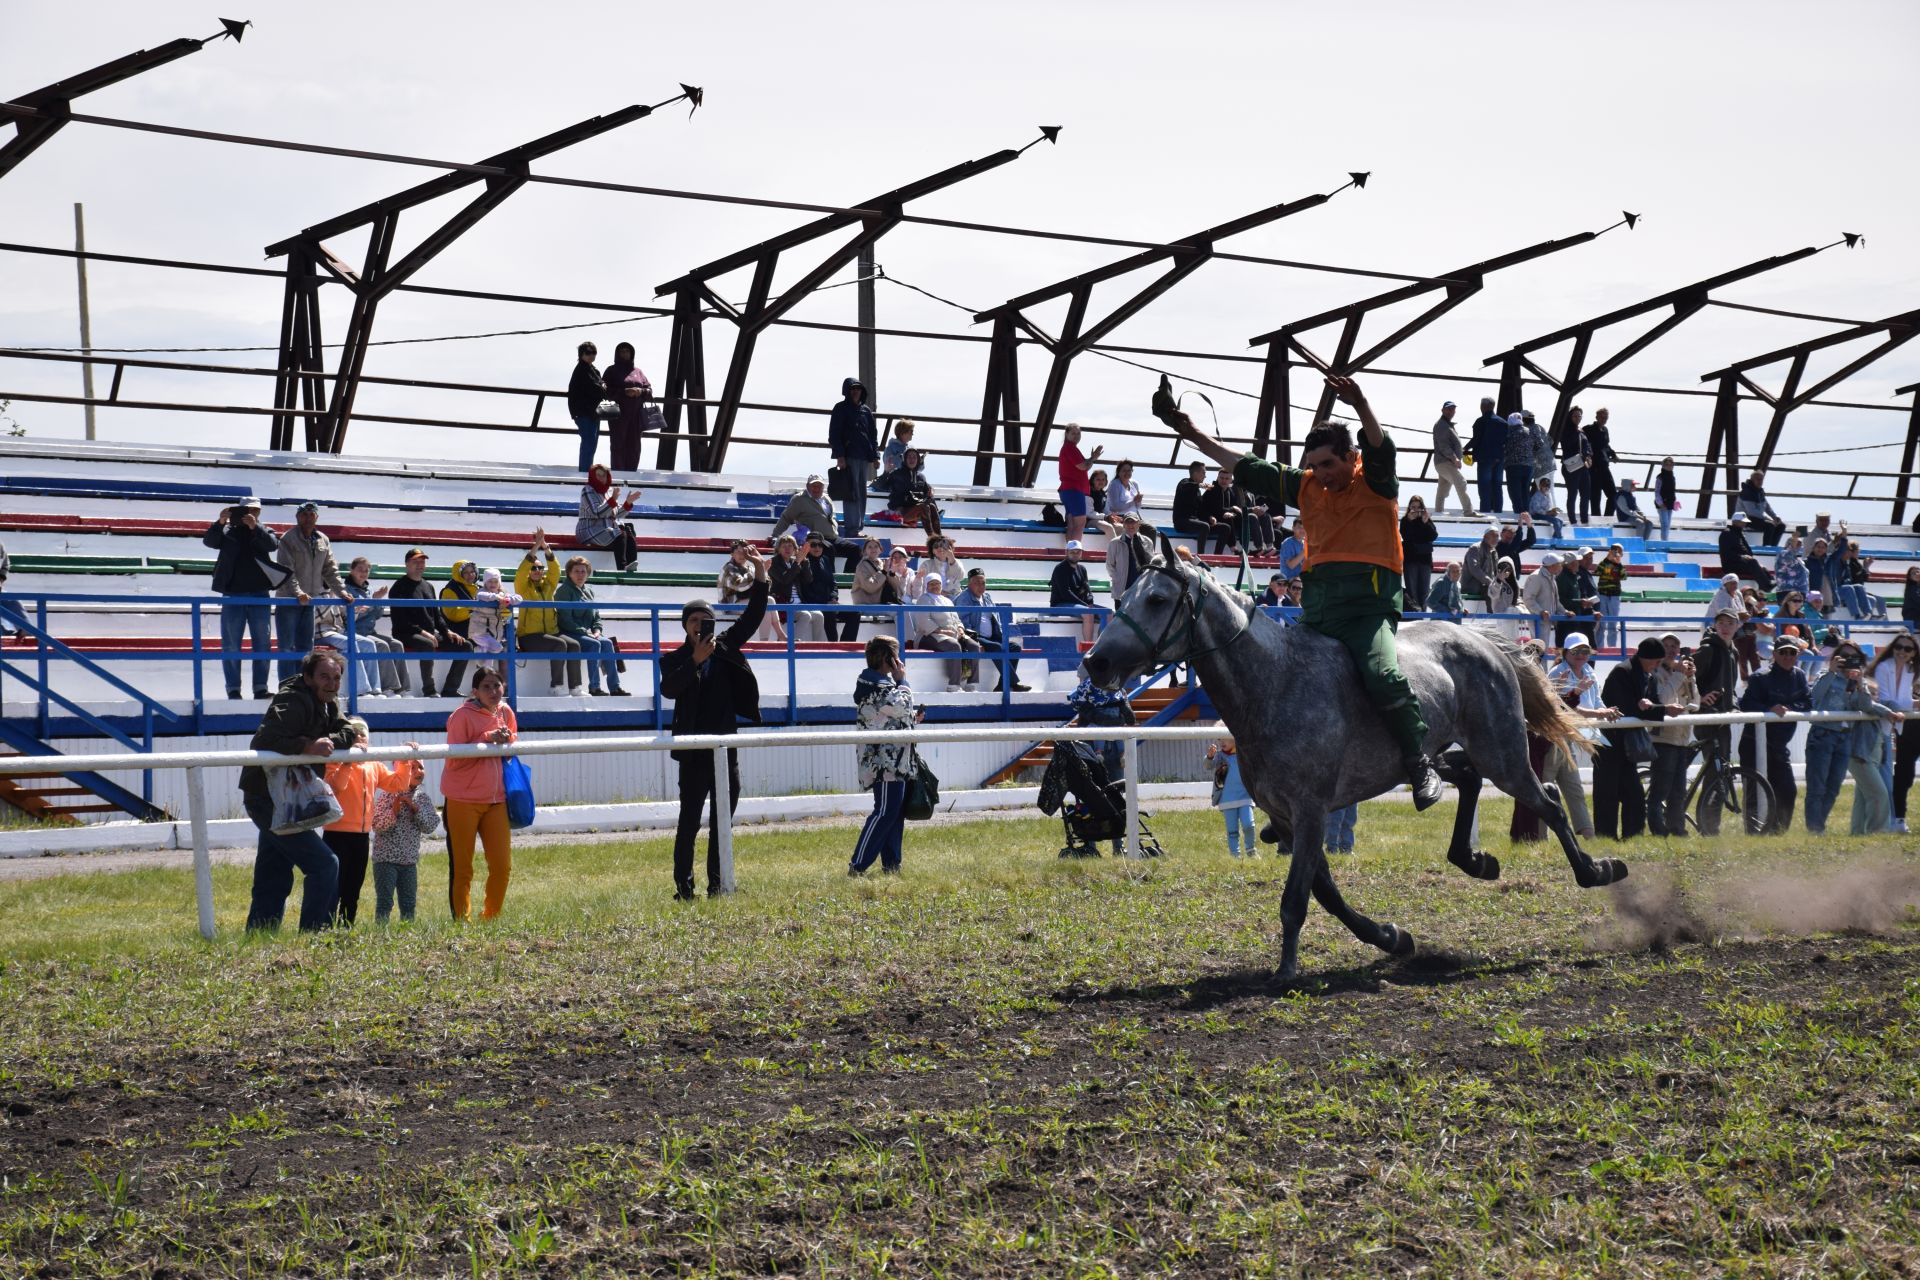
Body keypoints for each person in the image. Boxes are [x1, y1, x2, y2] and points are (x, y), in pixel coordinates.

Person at [1169, 374, 1444, 806]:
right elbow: (1246, 467)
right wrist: (1194, 434)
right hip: (1317, 616)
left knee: (1383, 675)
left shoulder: (1375, 481)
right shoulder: (1306, 487)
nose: (1320, 473)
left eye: (1328, 465)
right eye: (1313, 465)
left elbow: (1380, 446)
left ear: (1350, 457)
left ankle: (1419, 761)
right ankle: (1288, 798)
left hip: (1368, 615)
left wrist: (1361, 403)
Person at [662, 547, 769, 899]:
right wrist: (694, 660)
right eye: (693, 621)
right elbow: (669, 689)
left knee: (723, 822)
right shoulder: (674, 658)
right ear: (685, 626)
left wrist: (761, 576)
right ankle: (684, 889)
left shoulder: (725, 646)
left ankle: (720, 886)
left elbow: (753, 616)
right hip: (693, 753)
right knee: (689, 823)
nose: (699, 625)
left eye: (704, 620)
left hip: (726, 750)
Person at [237, 651, 357, 932]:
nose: (332, 683)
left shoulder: (328, 702)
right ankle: (313, 936)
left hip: (285, 797)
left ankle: (260, 936)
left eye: (337, 678)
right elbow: (266, 739)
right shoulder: (292, 700)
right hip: (267, 797)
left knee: (273, 871)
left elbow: (349, 731)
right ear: (307, 677)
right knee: (325, 865)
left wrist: (326, 740)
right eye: (325, 677)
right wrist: (308, 746)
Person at [321, 718, 423, 926]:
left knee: (353, 887)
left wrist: (405, 760)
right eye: (353, 732)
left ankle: (346, 926)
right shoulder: (335, 760)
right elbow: (337, 786)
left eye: (362, 733)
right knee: (334, 886)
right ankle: (326, 927)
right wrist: (348, 762)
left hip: (361, 836)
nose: (359, 736)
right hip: (336, 833)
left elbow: (397, 785)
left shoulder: (373, 764)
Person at [443, 668, 519, 921]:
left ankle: (490, 918)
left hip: (497, 800)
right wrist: (489, 738)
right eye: (486, 687)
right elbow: (455, 760)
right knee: (463, 868)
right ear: (474, 692)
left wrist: (506, 741)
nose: (493, 691)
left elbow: (511, 748)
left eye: (497, 685)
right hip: (462, 801)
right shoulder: (461, 716)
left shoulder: (506, 712)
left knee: (502, 867)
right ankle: (461, 922)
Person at [1802, 641, 1901, 836]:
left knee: (1832, 789)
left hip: (1845, 738)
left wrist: (1860, 682)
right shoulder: (1826, 675)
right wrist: (1831, 671)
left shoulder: (1857, 682)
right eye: (1844, 656)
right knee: (1817, 787)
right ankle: (1815, 830)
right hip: (1822, 735)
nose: (1848, 661)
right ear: (1836, 658)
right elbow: (1815, 697)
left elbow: (1865, 705)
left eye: (1853, 658)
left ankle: (1817, 828)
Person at [849, 635, 922, 875]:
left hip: (894, 759)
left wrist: (912, 719)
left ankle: (891, 865)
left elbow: (892, 716)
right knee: (885, 812)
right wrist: (903, 681)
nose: (900, 662)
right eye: (897, 656)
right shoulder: (876, 685)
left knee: (893, 812)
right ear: (889, 659)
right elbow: (900, 706)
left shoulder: (879, 685)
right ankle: (858, 865)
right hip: (885, 761)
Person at [1593, 637, 1676, 839]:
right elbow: (1620, 707)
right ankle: (1606, 837)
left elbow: (1651, 707)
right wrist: (1647, 708)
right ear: (1644, 658)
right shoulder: (1622, 672)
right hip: (1609, 742)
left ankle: (1633, 836)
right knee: (1607, 794)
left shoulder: (1650, 676)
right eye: (1655, 661)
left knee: (1634, 795)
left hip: (1627, 745)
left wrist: (1664, 709)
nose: (1657, 665)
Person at [204, 497, 282, 699]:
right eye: (246, 510)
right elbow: (210, 541)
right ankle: (233, 690)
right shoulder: (228, 530)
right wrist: (220, 522)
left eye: (254, 510)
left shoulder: (265, 529)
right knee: (230, 644)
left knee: (263, 643)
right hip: (232, 594)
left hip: (259, 594)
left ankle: (260, 688)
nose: (250, 514)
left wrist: (255, 527)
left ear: (259, 512)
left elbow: (273, 545)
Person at [1545, 634, 1618, 840]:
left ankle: (1589, 836)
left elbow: (1596, 702)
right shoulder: (1557, 673)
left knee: (1574, 789)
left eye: (1585, 651)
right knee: (1544, 790)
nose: (1581, 655)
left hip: (1573, 737)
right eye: (1576, 651)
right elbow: (1569, 706)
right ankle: (1538, 838)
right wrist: (1600, 714)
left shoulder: (1589, 671)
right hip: (1554, 739)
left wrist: (1606, 711)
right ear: (1565, 653)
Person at [1739, 636, 1814, 833]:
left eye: (1792, 652)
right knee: (1754, 792)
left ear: (1797, 655)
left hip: (1779, 745)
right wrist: (1769, 708)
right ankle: (1754, 834)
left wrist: (1789, 708)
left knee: (1788, 791)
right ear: (1774, 654)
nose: (1787, 656)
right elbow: (1746, 705)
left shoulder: (1799, 676)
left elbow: (1807, 702)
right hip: (1753, 743)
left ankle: (1777, 833)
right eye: (1783, 652)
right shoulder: (1759, 677)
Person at [274, 500, 347, 681]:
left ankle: (304, 685)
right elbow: (286, 570)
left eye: (311, 514)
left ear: (316, 517)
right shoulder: (288, 539)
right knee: (286, 648)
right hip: (288, 601)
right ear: (297, 517)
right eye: (304, 514)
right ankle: (286, 687)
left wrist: (342, 592)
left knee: (306, 648)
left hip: (310, 602)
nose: (307, 518)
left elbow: (330, 569)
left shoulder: (323, 539)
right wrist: (298, 592)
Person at [389, 548, 471, 697]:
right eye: (415, 561)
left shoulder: (428, 586)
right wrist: (424, 633)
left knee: (465, 646)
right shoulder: (398, 587)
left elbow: (436, 615)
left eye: (422, 561)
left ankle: (450, 689)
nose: (420, 565)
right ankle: (429, 690)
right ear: (407, 564)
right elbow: (401, 621)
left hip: (430, 633)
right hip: (406, 633)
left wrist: (447, 631)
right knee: (426, 644)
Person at [1646, 632, 1700, 837]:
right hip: (1662, 738)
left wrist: (1691, 678)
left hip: (1681, 738)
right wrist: (1678, 675)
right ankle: (1658, 831)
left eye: (1674, 645)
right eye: (1666, 645)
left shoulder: (1682, 672)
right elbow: (1662, 698)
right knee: (1660, 789)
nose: (1671, 649)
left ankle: (1677, 829)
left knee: (1678, 790)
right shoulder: (1655, 673)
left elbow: (1696, 703)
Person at [514, 530, 577, 694]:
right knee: (560, 644)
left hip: (550, 632)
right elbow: (521, 571)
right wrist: (536, 546)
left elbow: (555, 569)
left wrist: (545, 547)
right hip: (529, 636)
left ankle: (575, 687)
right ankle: (556, 686)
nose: (537, 570)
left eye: (540, 568)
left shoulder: (548, 584)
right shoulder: (523, 587)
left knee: (574, 645)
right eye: (533, 568)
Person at [370, 775, 439, 924]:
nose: (417, 772)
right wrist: (394, 809)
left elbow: (430, 826)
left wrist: (416, 809)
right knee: (385, 902)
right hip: (385, 860)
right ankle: (381, 934)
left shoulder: (422, 798)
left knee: (408, 903)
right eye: (412, 768)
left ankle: (406, 935)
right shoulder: (388, 795)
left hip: (409, 862)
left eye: (420, 767)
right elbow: (377, 825)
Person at [555, 556, 625, 696]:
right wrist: (585, 633)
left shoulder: (589, 591)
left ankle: (615, 687)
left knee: (607, 643)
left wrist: (597, 630)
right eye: (576, 571)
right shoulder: (564, 590)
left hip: (586, 633)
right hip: (568, 632)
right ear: (569, 573)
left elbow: (596, 616)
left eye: (583, 571)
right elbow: (565, 619)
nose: (580, 575)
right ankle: (594, 687)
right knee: (594, 644)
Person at [341, 556, 407, 696]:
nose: (363, 573)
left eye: (366, 570)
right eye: (360, 569)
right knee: (382, 645)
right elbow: (351, 617)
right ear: (351, 570)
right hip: (354, 632)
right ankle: (388, 687)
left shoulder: (368, 590)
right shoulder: (345, 591)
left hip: (369, 631)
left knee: (397, 645)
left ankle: (404, 688)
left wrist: (377, 602)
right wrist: (372, 601)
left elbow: (376, 616)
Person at [1873, 633, 1919, 833]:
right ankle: (1896, 819)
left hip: (1905, 722)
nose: (1902, 651)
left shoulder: (1912, 670)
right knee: (1902, 775)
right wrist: (1916, 704)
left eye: (1907, 649)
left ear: (1913, 653)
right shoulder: (1884, 668)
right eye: (1899, 647)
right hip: (1885, 724)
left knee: (1901, 775)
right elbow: (1886, 700)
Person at [1693, 608, 1742, 787]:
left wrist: (1734, 708)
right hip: (1706, 717)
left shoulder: (1733, 653)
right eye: (1721, 623)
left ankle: (1710, 813)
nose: (1725, 627)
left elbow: (1732, 688)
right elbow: (1686, 678)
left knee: (1723, 770)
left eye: (1730, 623)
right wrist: (1699, 698)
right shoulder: (1707, 649)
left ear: (1738, 626)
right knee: (1715, 771)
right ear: (1714, 625)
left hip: (1723, 718)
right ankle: (1708, 814)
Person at [958, 567, 1029, 692]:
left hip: (992, 637)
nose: (981, 586)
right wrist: (974, 641)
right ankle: (1013, 683)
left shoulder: (987, 597)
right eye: (976, 583)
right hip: (975, 636)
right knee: (997, 647)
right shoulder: (964, 598)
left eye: (983, 583)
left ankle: (1003, 685)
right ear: (969, 584)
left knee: (1015, 647)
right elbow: (963, 623)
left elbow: (995, 618)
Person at [911, 571, 982, 692]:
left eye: (937, 583)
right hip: (929, 636)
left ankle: (971, 683)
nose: (935, 586)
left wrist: (960, 629)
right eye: (931, 584)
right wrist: (941, 631)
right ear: (926, 586)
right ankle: (953, 685)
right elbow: (924, 622)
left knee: (974, 646)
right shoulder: (924, 599)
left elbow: (956, 619)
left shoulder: (947, 600)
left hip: (952, 634)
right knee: (954, 646)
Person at [829, 377, 879, 541]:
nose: (855, 391)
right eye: (852, 388)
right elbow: (834, 434)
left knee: (861, 493)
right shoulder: (840, 408)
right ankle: (851, 528)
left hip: (863, 457)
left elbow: (872, 435)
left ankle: (858, 526)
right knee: (851, 493)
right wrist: (840, 455)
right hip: (848, 456)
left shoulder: (866, 411)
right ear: (846, 391)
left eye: (858, 388)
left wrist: (875, 456)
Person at [576, 464, 640, 571]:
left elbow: (617, 514)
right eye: (598, 475)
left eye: (604, 475)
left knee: (628, 529)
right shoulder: (587, 490)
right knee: (620, 533)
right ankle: (622, 568)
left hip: (605, 529)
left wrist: (627, 503)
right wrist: (613, 500)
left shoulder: (609, 491)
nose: (601, 478)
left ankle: (631, 567)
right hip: (589, 528)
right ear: (592, 476)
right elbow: (596, 512)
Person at [601, 340, 651, 472]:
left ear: (632, 353)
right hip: (617, 413)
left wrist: (640, 391)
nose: (624, 353)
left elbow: (649, 391)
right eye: (621, 351)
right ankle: (618, 473)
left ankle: (631, 473)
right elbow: (604, 390)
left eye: (627, 351)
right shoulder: (611, 370)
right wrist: (624, 392)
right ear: (617, 354)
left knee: (634, 446)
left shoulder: (638, 372)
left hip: (636, 414)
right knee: (618, 444)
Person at [1207, 737, 1256, 857]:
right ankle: (1235, 854)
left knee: (1249, 825)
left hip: (1245, 797)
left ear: (1235, 738)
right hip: (1227, 799)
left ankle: (1251, 850)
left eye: (1226, 739)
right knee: (1232, 830)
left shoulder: (1244, 754)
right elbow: (1208, 765)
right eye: (1219, 740)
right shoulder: (1219, 757)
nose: (1222, 742)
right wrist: (1209, 757)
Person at [770, 534, 823, 642]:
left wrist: (805, 560)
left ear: (795, 549)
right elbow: (784, 580)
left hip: (799, 604)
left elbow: (808, 580)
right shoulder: (773, 562)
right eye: (784, 546)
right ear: (778, 549)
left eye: (790, 546)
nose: (787, 549)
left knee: (819, 615)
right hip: (783, 605)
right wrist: (797, 562)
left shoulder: (795, 561)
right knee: (805, 615)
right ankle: (792, 644)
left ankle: (818, 645)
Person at [466, 567, 518, 676]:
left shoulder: (503, 593)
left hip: (492, 633)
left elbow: (519, 598)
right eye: (489, 581)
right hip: (479, 631)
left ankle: (485, 673)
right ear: (485, 582)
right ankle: (480, 655)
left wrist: (509, 600)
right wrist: (498, 598)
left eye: (495, 581)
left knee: (489, 659)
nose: (493, 584)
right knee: (497, 647)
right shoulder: (481, 592)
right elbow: (482, 596)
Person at [1058, 422, 1103, 544]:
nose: (1076, 436)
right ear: (1066, 434)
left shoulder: (1070, 448)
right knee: (1080, 522)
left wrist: (1092, 458)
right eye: (1073, 433)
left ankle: (1070, 551)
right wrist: (1093, 458)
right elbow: (1083, 466)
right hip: (1073, 490)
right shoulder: (1070, 448)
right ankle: (1075, 551)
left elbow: (1084, 466)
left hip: (1069, 490)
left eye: (1078, 433)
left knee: (1072, 522)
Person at [1171, 460, 1231, 553]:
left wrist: (1210, 517)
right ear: (1196, 473)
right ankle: (1201, 555)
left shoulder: (1198, 492)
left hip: (1195, 522)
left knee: (1225, 528)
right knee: (1204, 526)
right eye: (1203, 473)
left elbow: (1201, 509)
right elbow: (1186, 486)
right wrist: (1199, 485)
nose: (1205, 476)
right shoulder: (1184, 483)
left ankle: (1217, 556)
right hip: (1182, 522)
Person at [800, 533, 849, 641]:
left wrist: (833, 598)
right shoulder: (801, 562)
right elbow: (805, 589)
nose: (817, 548)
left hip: (828, 602)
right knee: (830, 613)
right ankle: (833, 647)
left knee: (854, 614)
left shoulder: (825, 560)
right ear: (806, 546)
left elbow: (833, 583)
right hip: (812, 604)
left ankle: (845, 646)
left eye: (820, 545)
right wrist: (825, 602)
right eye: (813, 545)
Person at [1430, 400, 1475, 515]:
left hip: (1443, 462)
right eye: (1449, 409)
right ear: (1443, 410)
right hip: (1446, 462)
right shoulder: (1441, 425)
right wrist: (1454, 458)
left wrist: (1460, 453)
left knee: (1443, 488)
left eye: (1453, 409)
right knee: (1461, 483)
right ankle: (1468, 511)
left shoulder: (1446, 425)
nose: (1451, 411)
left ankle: (1438, 512)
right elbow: (1443, 445)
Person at [1051, 539, 1099, 646]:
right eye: (1072, 552)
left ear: (1081, 553)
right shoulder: (1060, 568)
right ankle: (1088, 647)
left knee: (1109, 613)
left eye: (1078, 552)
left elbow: (1087, 588)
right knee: (1088, 613)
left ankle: (1103, 645)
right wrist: (1086, 605)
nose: (1075, 554)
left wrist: (1090, 600)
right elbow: (1065, 593)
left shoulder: (1082, 569)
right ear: (1066, 552)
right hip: (1060, 604)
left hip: (1078, 604)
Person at [567, 339, 605, 472]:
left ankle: (586, 471)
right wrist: (602, 387)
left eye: (594, 352)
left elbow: (599, 388)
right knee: (589, 443)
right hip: (584, 413)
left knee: (591, 444)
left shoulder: (592, 370)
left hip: (592, 413)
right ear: (581, 354)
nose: (592, 355)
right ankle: (584, 473)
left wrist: (602, 387)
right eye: (588, 352)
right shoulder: (582, 370)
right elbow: (595, 389)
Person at [886, 447, 943, 536]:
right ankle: (933, 539)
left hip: (914, 510)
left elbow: (927, 493)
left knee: (931, 505)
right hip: (900, 512)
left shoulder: (921, 477)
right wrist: (886, 472)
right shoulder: (896, 474)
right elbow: (881, 486)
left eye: (914, 457)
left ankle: (939, 538)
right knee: (924, 507)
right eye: (909, 457)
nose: (912, 459)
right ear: (904, 459)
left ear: (918, 460)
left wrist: (930, 490)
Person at [771, 474, 838, 546]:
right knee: (830, 550)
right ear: (807, 486)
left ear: (823, 487)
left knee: (851, 549)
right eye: (814, 486)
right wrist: (775, 535)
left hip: (833, 538)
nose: (816, 488)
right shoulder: (799, 499)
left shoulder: (827, 498)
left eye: (819, 486)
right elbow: (786, 518)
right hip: (816, 540)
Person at [1468, 396, 1507, 515]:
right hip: (1499, 459)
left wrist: (1464, 449)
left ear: (1483, 406)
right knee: (1497, 486)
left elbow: (1476, 439)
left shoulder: (1480, 421)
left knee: (1485, 487)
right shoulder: (1503, 423)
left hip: (1484, 458)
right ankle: (1498, 512)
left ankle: (1485, 512)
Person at [1399, 495, 1438, 611]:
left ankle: (1422, 616)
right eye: (1413, 507)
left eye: (1418, 507)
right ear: (1409, 508)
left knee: (1424, 592)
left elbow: (1433, 536)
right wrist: (1410, 521)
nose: (1416, 510)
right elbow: (1406, 536)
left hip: (1424, 560)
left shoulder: (1426, 520)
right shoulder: (1405, 521)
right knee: (1412, 592)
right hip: (1410, 560)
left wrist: (1425, 522)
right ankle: (1414, 616)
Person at [1718, 513, 1774, 592]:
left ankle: (1771, 582)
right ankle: (1766, 586)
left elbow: (1749, 552)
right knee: (1753, 562)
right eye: (1742, 521)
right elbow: (1726, 554)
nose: (1744, 523)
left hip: (1742, 563)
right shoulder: (1727, 533)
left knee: (1761, 567)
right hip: (1731, 565)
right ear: (1735, 521)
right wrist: (1742, 557)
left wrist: (1748, 559)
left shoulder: (1739, 534)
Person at [1106, 511, 1156, 600]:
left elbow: (1151, 565)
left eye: (1133, 522)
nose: (1130, 525)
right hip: (1121, 590)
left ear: (1139, 524)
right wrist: (1118, 578)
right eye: (1127, 522)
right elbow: (1110, 565)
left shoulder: (1148, 542)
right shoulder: (1114, 543)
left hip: (1141, 590)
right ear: (1123, 525)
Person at [847, 536, 888, 644]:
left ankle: (907, 641)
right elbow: (870, 587)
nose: (873, 549)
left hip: (879, 604)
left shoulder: (882, 563)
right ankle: (907, 642)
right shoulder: (861, 565)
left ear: (881, 549)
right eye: (869, 547)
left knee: (905, 609)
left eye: (876, 546)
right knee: (899, 612)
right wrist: (884, 572)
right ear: (865, 550)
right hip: (865, 605)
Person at [438, 560, 481, 653]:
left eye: (472, 572)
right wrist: (475, 608)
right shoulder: (449, 590)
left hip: (473, 630)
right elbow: (454, 615)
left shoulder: (480, 589)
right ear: (458, 574)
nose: (470, 575)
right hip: (456, 631)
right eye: (466, 572)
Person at [1559, 407, 1592, 525]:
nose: (1577, 418)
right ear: (1570, 417)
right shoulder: (1566, 430)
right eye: (1575, 416)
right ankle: (1572, 519)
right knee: (1572, 493)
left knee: (1586, 493)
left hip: (1583, 465)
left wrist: (1588, 456)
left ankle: (1584, 519)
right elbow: (1567, 445)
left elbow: (1587, 446)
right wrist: (1576, 434)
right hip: (1571, 466)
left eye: (1579, 416)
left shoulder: (1581, 431)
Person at [1736, 469, 1786, 547]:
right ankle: (1766, 547)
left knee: (1781, 526)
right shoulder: (1747, 492)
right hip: (1744, 519)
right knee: (1770, 526)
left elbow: (1767, 507)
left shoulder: (1759, 492)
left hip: (1756, 518)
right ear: (1752, 480)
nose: (1760, 481)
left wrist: (1775, 517)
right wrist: (1769, 520)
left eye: (1761, 479)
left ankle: (1772, 547)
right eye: (1758, 479)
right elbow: (1751, 512)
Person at [1586, 407, 1620, 517]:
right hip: (1593, 468)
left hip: (1604, 466)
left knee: (1613, 494)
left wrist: (1613, 454)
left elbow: (1606, 446)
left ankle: (1607, 518)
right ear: (1597, 417)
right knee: (1595, 496)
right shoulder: (1588, 429)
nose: (1604, 419)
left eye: (1606, 417)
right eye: (1602, 417)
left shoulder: (1605, 430)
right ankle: (1597, 519)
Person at [1521, 553, 1562, 642]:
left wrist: (1565, 612)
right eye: (1559, 564)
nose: (1560, 566)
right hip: (1538, 620)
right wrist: (1540, 611)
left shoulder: (1551, 578)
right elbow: (1528, 599)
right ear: (1552, 565)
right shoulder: (1536, 577)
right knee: (1539, 648)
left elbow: (1555, 601)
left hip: (1545, 620)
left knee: (1542, 648)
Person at [1837, 546, 1884, 620]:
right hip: (1835, 590)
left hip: (1845, 588)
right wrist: (1864, 568)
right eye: (1848, 551)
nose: (1849, 554)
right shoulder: (1836, 562)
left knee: (1859, 586)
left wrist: (1866, 567)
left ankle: (1869, 615)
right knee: (1849, 588)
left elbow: (1856, 580)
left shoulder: (1846, 564)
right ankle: (1857, 616)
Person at [1595, 544, 1627, 651]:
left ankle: (1612, 648)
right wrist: (1607, 559)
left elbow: (1623, 577)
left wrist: (1618, 563)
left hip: (1614, 596)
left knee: (1613, 624)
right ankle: (1599, 648)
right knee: (1601, 623)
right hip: (1602, 595)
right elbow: (1597, 571)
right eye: (1614, 551)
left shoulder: (1619, 566)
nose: (1616, 554)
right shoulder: (1604, 563)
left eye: (1619, 552)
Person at [1502, 410, 1534, 515]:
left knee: (1515, 491)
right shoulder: (1529, 431)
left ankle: (1519, 513)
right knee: (1525, 490)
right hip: (1528, 466)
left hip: (1513, 466)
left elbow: (1503, 447)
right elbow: (1538, 444)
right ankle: (1526, 512)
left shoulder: (1508, 432)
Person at [1460, 524, 1500, 604]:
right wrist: (1491, 582)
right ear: (1485, 537)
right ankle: (1491, 615)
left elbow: (1495, 571)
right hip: (1472, 586)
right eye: (1493, 536)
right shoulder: (1475, 548)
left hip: (1486, 584)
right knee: (1491, 591)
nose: (1495, 538)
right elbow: (1475, 570)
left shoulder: (1494, 551)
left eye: (1497, 536)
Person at [874, 418, 915, 491]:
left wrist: (919, 462)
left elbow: (919, 468)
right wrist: (904, 458)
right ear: (902, 432)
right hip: (894, 483)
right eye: (910, 431)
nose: (912, 433)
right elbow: (890, 466)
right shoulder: (890, 448)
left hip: (908, 481)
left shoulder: (911, 448)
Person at [1614, 478, 1654, 543]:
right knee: (1641, 523)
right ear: (1627, 486)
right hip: (1625, 517)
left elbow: (1635, 507)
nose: (1635, 487)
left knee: (1649, 523)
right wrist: (1638, 516)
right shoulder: (1620, 496)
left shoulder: (1631, 496)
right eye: (1633, 485)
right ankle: (1638, 542)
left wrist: (1642, 514)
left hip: (1634, 516)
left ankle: (1644, 542)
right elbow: (1626, 510)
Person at [1773, 532, 1809, 602]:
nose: (1799, 546)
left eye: (1800, 544)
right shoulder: (1782, 554)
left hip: (1800, 592)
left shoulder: (1798, 560)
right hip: (1787, 592)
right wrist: (1794, 539)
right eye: (1797, 544)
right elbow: (1788, 555)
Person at [1106, 459, 1144, 524]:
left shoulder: (1134, 483)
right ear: (1118, 472)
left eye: (1129, 470)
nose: (1127, 473)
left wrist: (1138, 501)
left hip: (1134, 516)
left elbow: (1137, 507)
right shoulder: (1114, 484)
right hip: (1120, 517)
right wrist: (1133, 501)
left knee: (1151, 530)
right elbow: (1116, 507)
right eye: (1124, 471)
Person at [1528, 476, 1564, 541]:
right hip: (1536, 515)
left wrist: (1553, 512)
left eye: (1548, 486)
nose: (1546, 487)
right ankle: (1559, 538)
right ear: (1540, 486)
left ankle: (1555, 537)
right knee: (1556, 521)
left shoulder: (1547, 495)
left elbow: (1547, 508)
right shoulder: (1537, 495)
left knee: (1560, 521)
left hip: (1543, 514)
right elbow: (1536, 509)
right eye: (1544, 485)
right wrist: (1548, 513)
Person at [1654, 457, 1678, 542]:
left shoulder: (1672, 477)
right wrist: (1660, 503)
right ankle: (1664, 542)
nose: (1669, 466)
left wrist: (1675, 501)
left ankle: (1665, 540)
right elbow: (1657, 491)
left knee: (1668, 524)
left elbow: (1672, 491)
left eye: (1671, 464)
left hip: (1670, 504)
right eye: (1667, 464)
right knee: (1664, 523)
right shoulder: (1660, 477)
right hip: (1662, 504)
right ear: (1663, 465)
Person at [1904, 565, 1920, 632]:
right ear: (1910, 577)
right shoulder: (1911, 589)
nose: (1916, 574)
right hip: (1913, 619)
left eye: (1918, 572)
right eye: (1913, 573)